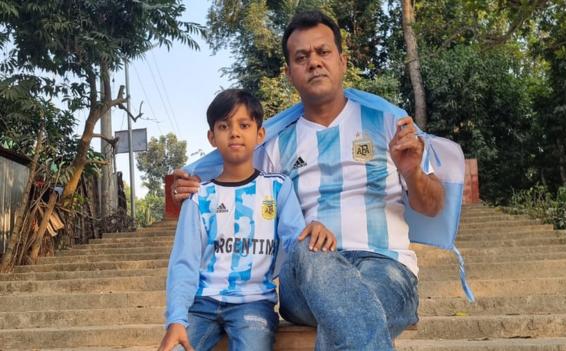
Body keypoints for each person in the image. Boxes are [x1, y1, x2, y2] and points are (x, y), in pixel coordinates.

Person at [173, 10, 444, 351]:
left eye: (323, 52)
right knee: (311, 250)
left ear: (342, 61)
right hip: (306, 275)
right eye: (302, 57)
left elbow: (433, 205)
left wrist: (412, 173)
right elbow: (229, 179)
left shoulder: (390, 123)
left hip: (386, 268)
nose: (314, 62)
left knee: (352, 311)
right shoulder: (274, 144)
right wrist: (191, 184)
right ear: (289, 73)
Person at [158, 89, 336, 351]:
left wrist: (313, 229)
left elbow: (294, 241)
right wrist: (176, 319)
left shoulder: (277, 189)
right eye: (223, 126)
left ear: (259, 134)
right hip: (201, 304)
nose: (234, 133)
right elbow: (184, 263)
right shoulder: (199, 197)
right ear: (211, 137)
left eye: (244, 125)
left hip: (253, 304)